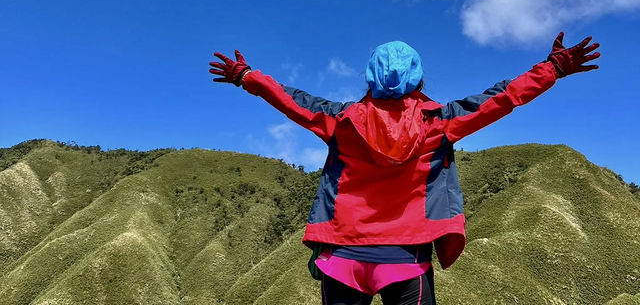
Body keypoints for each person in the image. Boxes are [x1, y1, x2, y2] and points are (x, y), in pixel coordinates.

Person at [209, 32, 600, 305]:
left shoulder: (340, 121)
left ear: (370, 76)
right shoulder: (441, 122)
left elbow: (291, 100)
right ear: (418, 77)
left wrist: (247, 76)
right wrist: (554, 68)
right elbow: (503, 98)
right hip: (406, 260)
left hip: (342, 258)